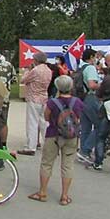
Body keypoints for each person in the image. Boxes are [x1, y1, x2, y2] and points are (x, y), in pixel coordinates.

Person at [28, 75, 83, 205]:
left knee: (47, 163)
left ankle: (42, 192)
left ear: (58, 87)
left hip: (53, 135)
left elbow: (46, 117)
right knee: (67, 165)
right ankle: (64, 196)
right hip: (71, 136)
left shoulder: (52, 102)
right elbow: (79, 117)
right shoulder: (78, 102)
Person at [18, 51, 52, 156]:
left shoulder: (35, 70)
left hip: (33, 98)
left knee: (32, 123)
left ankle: (30, 146)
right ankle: (49, 145)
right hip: (44, 97)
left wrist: (28, 70)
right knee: (44, 123)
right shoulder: (48, 70)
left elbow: (23, 80)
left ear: (36, 60)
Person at [77, 49, 102, 165]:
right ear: (91, 57)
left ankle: (83, 152)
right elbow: (92, 84)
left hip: (82, 98)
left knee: (85, 127)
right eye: (95, 56)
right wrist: (102, 84)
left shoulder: (81, 67)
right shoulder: (91, 68)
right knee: (100, 126)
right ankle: (86, 149)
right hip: (91, 97)